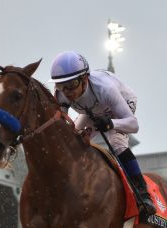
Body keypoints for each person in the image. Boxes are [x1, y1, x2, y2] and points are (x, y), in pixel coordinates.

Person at [50, 51, 156, 219]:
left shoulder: (105, 89)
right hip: (91, 109)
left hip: (118, 105)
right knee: (72, 143)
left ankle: (143, 194)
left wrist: (111, 124)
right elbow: (62, 126)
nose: (67, 92)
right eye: (62, 86)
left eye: (72, 85)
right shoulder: (61, 92)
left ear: (85, 79)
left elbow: (133, 125)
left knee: (117, 144)